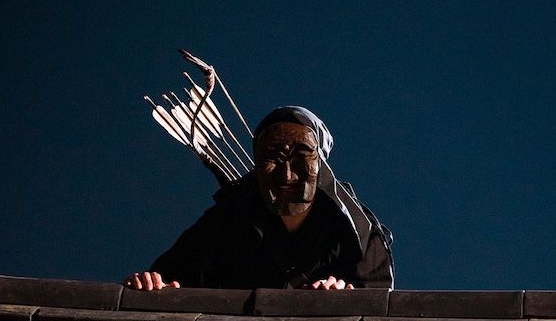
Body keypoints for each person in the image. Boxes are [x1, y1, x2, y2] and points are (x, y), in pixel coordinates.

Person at [126, 106, 393, 291]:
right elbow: (168, 277)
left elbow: (378, 300)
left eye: (301, 157)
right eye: (272, 159)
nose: (287, 175)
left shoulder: (358, 231)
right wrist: (152, 284)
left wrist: (348, 295)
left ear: (321, 166)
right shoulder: (226, 221)